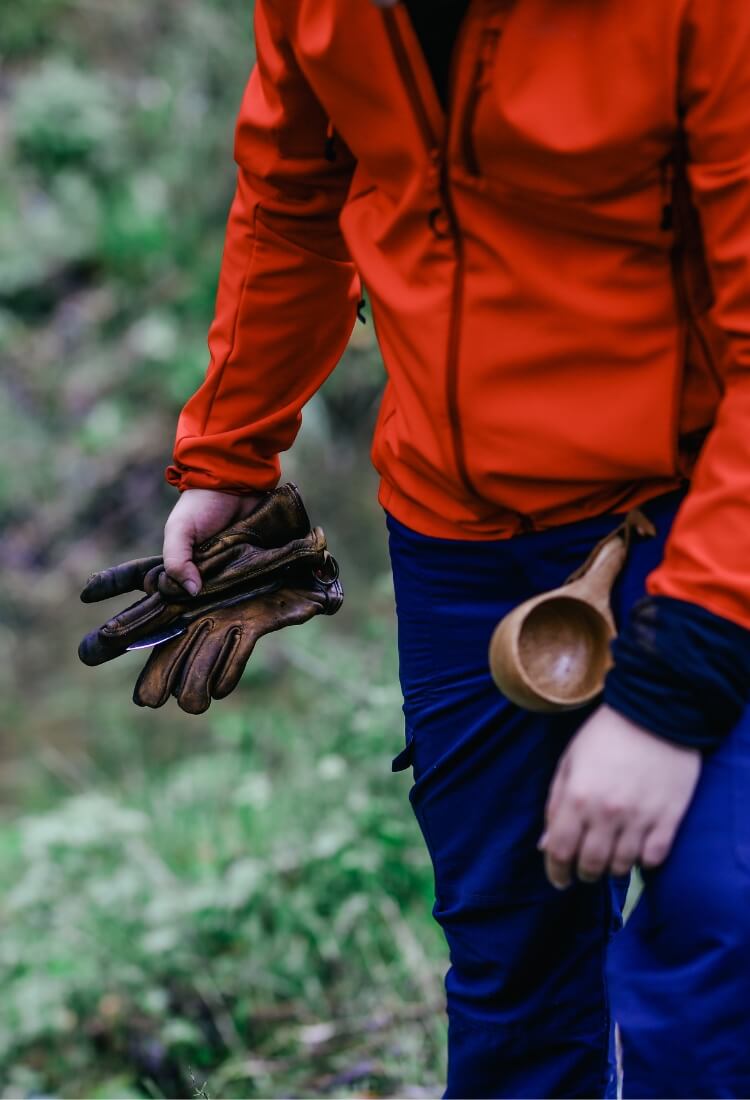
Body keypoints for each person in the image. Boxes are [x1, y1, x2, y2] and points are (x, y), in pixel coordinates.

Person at [157, 1, 750, 1095]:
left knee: (715, 938)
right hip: (459, 534)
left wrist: (672, 694)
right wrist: (231, 450)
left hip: (696, 512)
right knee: (511, 977)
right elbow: (295, 196)